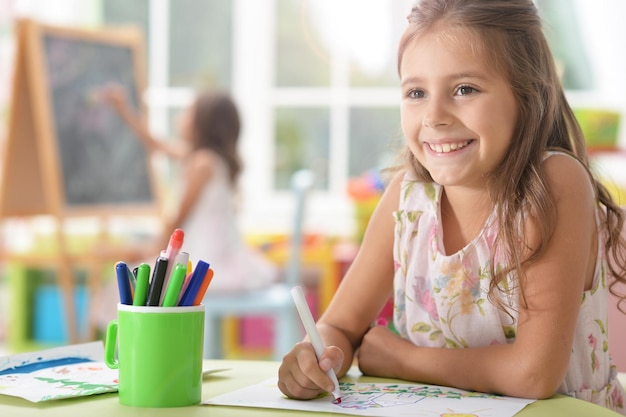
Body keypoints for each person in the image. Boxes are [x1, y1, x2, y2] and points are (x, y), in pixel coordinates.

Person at [277, 0, 626, 414]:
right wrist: (313, 355)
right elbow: (340, 326)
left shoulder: (552, 183)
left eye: (465, 89)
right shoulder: (408, 199)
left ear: (527, 94)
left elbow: (533, 373)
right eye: (416, 92)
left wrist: (401, 359)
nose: (434, 116)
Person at [101, 86, 279, 293]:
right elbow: (155, 144)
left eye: (188, 113)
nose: (180, 118)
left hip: (208, 260)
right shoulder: (206, 159)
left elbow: (179, 218)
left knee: (125, 287)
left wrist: (152, 248)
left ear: (203, 124)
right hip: (215, 255)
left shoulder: (202, 163)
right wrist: (124, 109)